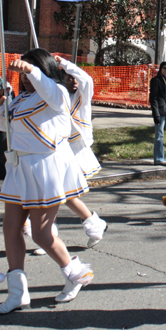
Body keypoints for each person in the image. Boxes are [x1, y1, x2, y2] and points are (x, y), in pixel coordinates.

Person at [0, 49, 93, 313]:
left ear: (43, 70)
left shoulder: (57, 93)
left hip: (46, 167)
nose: (23, 76)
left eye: (29, 70)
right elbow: (2, 126)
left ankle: (76, 274)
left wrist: (32, 70)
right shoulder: (20, 100)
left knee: (42, 234)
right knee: (10, 229)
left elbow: (52, 92)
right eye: (22, 72)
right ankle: (17, 294)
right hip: (19, 168)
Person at [56, 56, 108, 254]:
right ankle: (93, 224)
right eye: (69, 78)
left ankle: (48, 235)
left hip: (76, 149)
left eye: (74, 77)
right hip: (59, 149)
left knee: (61, 193)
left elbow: (86, 80)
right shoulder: (57, 97)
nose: (74, 81)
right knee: (60, 193)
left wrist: (65, 63)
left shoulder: (82, 96)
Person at [149, 61, 166, 166]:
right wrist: (156, 113)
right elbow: (153, 98)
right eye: (164, 68)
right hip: (160, 112)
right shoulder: (156, 80)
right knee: (159, 136)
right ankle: (159, 159)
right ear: (160, 69)